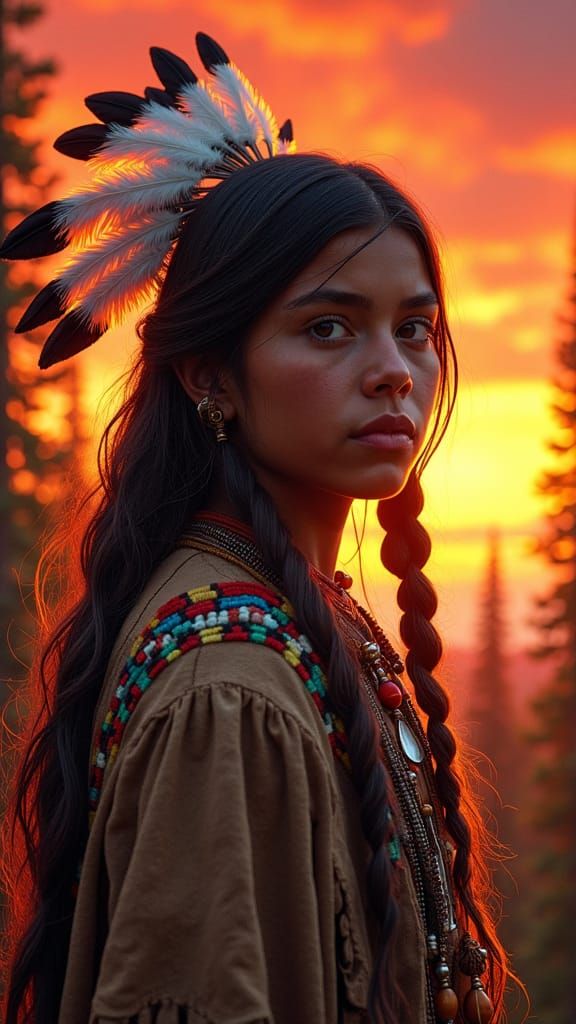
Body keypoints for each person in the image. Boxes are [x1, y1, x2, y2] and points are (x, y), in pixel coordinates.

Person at [0, 32, 508, 1024]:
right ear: (207, 374)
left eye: (414, 325)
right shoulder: (229, 689)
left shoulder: (299, 618)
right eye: (329, 325)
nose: (394, 368)